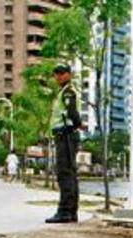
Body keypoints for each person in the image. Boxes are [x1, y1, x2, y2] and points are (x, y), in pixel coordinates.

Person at [47, 63, 83, 223]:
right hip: (65, 135)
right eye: (56, 73)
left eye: (62, 73)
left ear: (69, 74)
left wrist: (74, 126)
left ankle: (65, 211)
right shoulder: (64, 92)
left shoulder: (68, 92)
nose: (59, 76)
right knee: (69, 173)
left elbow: (72, 113)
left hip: (66, 135)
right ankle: (71, 212)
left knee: (65, 173)